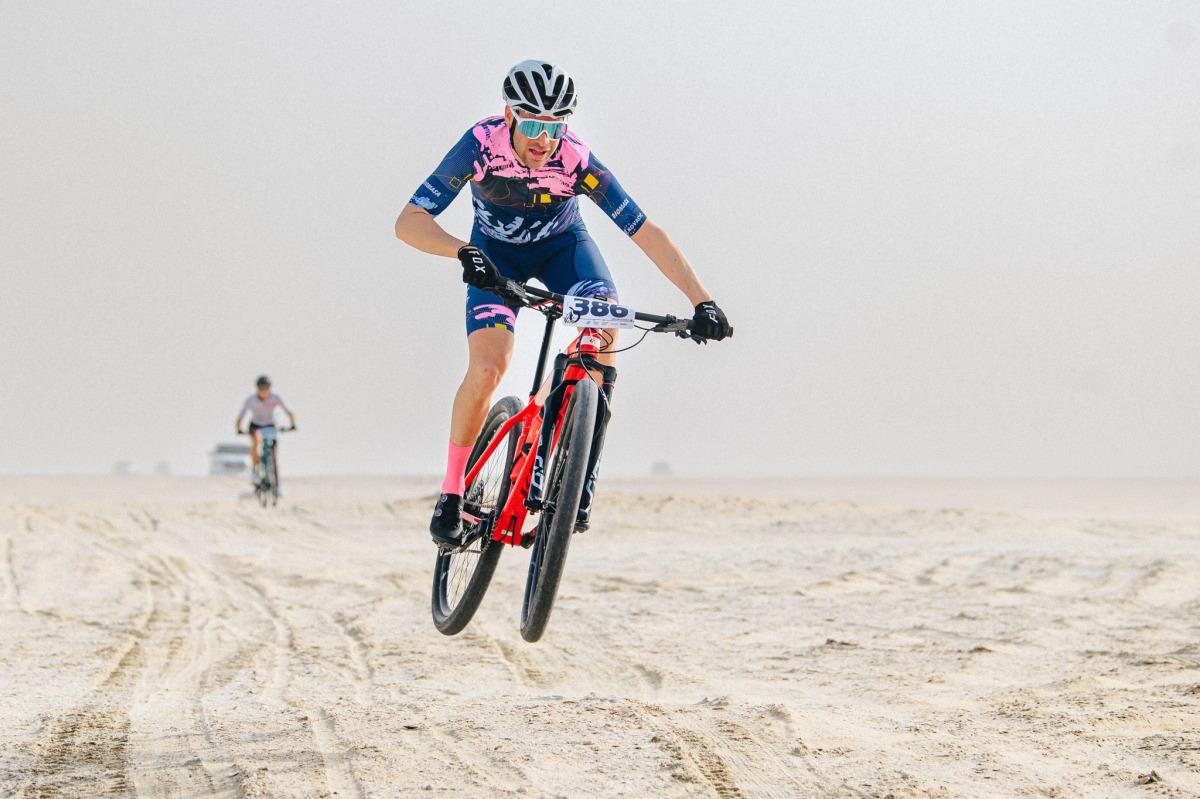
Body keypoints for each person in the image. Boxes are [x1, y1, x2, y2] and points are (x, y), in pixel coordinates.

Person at [395, 60, 732, 548]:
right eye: (533, 125)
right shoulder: (480, 144)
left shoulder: (574, 159)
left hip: (563, 250)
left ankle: (579, 474)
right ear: (509, 116)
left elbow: (644, 231)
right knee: (489, 367)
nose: (544, 140)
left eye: (555, 128)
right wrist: (463, 252)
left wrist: (703, 301)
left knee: (604, 329)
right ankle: (451, 491)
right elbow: (409, 221)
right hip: (495, 256)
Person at [235, 375, 296, 486]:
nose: (263, 391)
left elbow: (289, 411)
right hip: (256, 426)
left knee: (274, 454)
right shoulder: (251, 400)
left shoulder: (276, 398)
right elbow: (240, 416)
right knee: (256, 444)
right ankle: (255, 471)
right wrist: (239, 428)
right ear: (257, 388)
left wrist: (292, 424)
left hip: (270, 425)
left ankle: (277, 484)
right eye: (261, 388)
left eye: (266, 388)